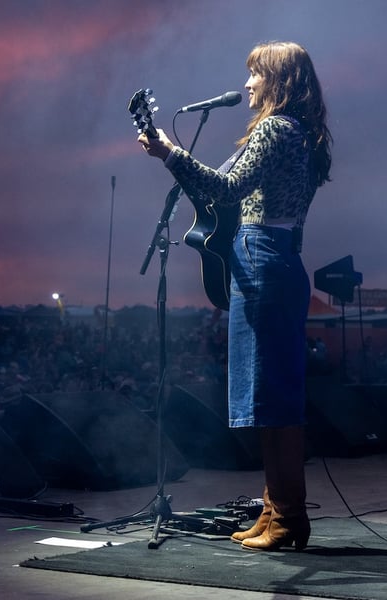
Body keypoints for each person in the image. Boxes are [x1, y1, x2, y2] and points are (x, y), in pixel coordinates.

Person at [138, 40, 332, 551]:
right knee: (270, 397)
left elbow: (225, 190)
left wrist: (169, 154)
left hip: (263, 259)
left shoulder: (274, 128)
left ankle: (287, 517)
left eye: (254, 74)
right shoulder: (302, 133)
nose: (246, 84)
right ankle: (274, 513)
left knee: (272, 398)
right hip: (280, 258)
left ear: (278, 81)